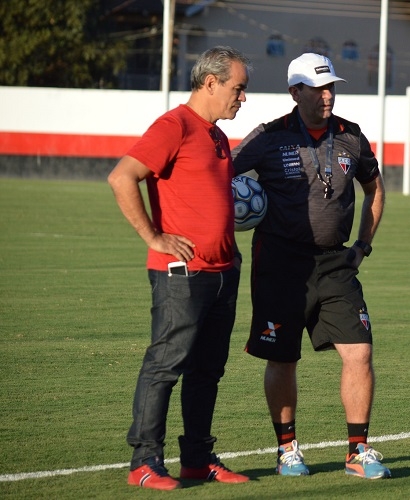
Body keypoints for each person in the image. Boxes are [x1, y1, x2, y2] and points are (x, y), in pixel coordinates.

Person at [231, 52, 389, 480]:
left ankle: (358, 450)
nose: (327, 95)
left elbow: (375, 190)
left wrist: (363, 246)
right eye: (318, 88)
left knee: (360, 351)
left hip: (337, 263)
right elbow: (220, 176)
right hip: (280, 262)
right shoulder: (267, 137)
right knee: (282, 359)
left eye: (331, 86)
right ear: (294, 91)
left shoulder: (352, 137)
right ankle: (287, 450)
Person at [108, 46, 252, 491]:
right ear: (211, 83)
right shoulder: (174, 125)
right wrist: (154, 236)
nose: (242, 98)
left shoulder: (214, 134)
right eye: (238, 88)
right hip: (182, 275)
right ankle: (144, 461)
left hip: (224, 272)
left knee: (207, 369)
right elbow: (121, 176)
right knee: (166, 364)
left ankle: (196, 459)